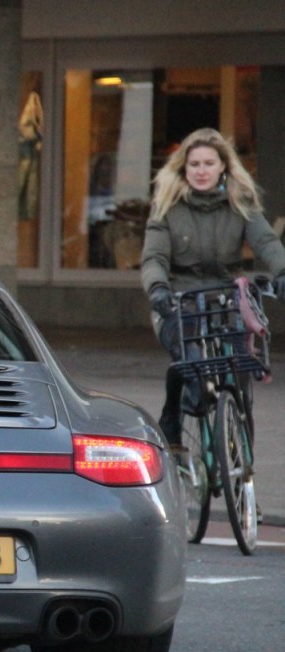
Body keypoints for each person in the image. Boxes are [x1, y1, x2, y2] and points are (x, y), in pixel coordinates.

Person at [140, 126, 285, 448]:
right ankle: (174, 416)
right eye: (194, 164)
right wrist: (158, 289)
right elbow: (153, 257)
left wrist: (283, 271)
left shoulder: (240, 201)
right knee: (185, 350)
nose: (201, 171)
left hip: (227, 296)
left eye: (209, 163)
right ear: (183, 167)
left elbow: (266, 241)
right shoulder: (166, 205)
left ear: (223, 166)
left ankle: (242, 467)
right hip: (180, 297)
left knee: (240, 369)